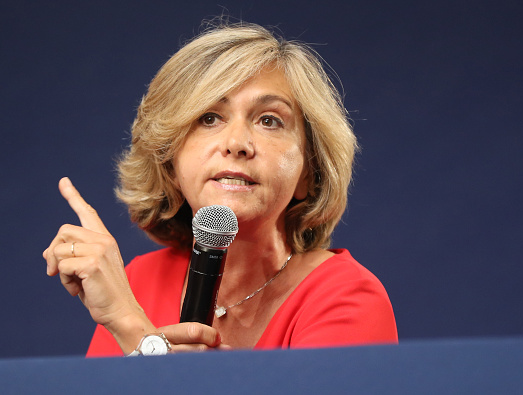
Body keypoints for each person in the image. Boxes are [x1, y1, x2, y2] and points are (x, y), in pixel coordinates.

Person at [43, 21, 398, 357]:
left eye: (269, 120)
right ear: (170, 160)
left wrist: (131, 328)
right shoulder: (138, 281)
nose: (236, 143)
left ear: (310, 172)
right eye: (209, 118)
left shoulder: (348, 297)